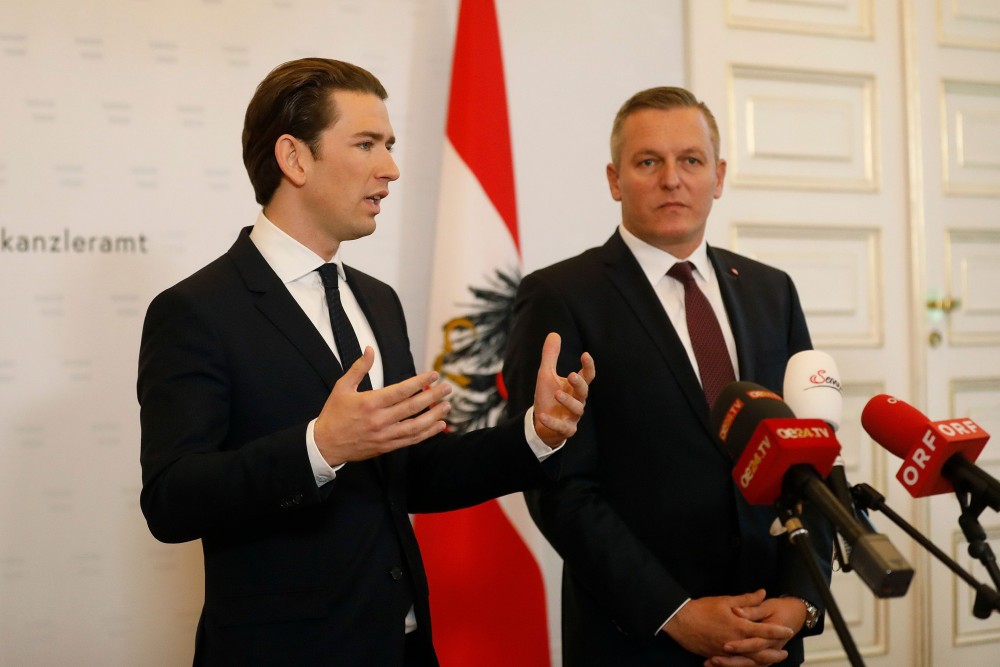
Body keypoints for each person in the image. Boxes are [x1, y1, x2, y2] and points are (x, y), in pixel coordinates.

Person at [137, 57, 595, 666]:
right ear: (294, 158)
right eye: (366, 144)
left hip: (403, 647)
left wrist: (534, 437)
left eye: (390, 144)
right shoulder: (197, 310)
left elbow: (415, 473)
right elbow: (171, 501)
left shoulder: (377, 300)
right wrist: (320, 447)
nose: (392, 168)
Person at [502, 86, 833, 666]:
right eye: (648, 162)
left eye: (691, 160)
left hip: (769, 639)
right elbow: (559, 487)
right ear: (614, 179)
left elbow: (814, 455)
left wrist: (800, 601)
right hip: (638, 640)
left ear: (719, 175)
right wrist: (674, 612)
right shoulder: (560, 297)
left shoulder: (771, 291)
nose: (672, 179)